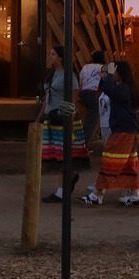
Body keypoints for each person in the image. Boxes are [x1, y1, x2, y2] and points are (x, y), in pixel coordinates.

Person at [87, 60, 139, 206]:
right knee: (129, 163)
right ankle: (135, 194)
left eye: (115, 71)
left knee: (110, 160)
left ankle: (97, 194)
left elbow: (106, 87)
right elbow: (105, 87)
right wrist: (107, 74)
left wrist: (107, 75)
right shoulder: (127, 88)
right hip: (128, 130)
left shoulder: (123, 89)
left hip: (122, 131)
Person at [40, 45, 81, 197]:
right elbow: (47, 97)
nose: (50, 57)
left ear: (61, 58)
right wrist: (40, 117)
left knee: (62, 153)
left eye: (53, 54)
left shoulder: (68, 75)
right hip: (51, 116)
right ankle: (64, 184)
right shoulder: (52, 74)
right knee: (56, 154)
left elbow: (74, 98)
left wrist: (67, 117)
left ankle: (61, 190)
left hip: (61, 118)